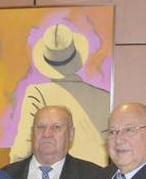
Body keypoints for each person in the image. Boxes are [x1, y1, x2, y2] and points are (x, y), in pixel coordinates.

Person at [11, 23, 109, 166]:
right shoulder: (104, 97)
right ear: (76, 57)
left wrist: (11, 176)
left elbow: (22, 149)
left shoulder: (37, 93)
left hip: (56, 178)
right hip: (98, 178)